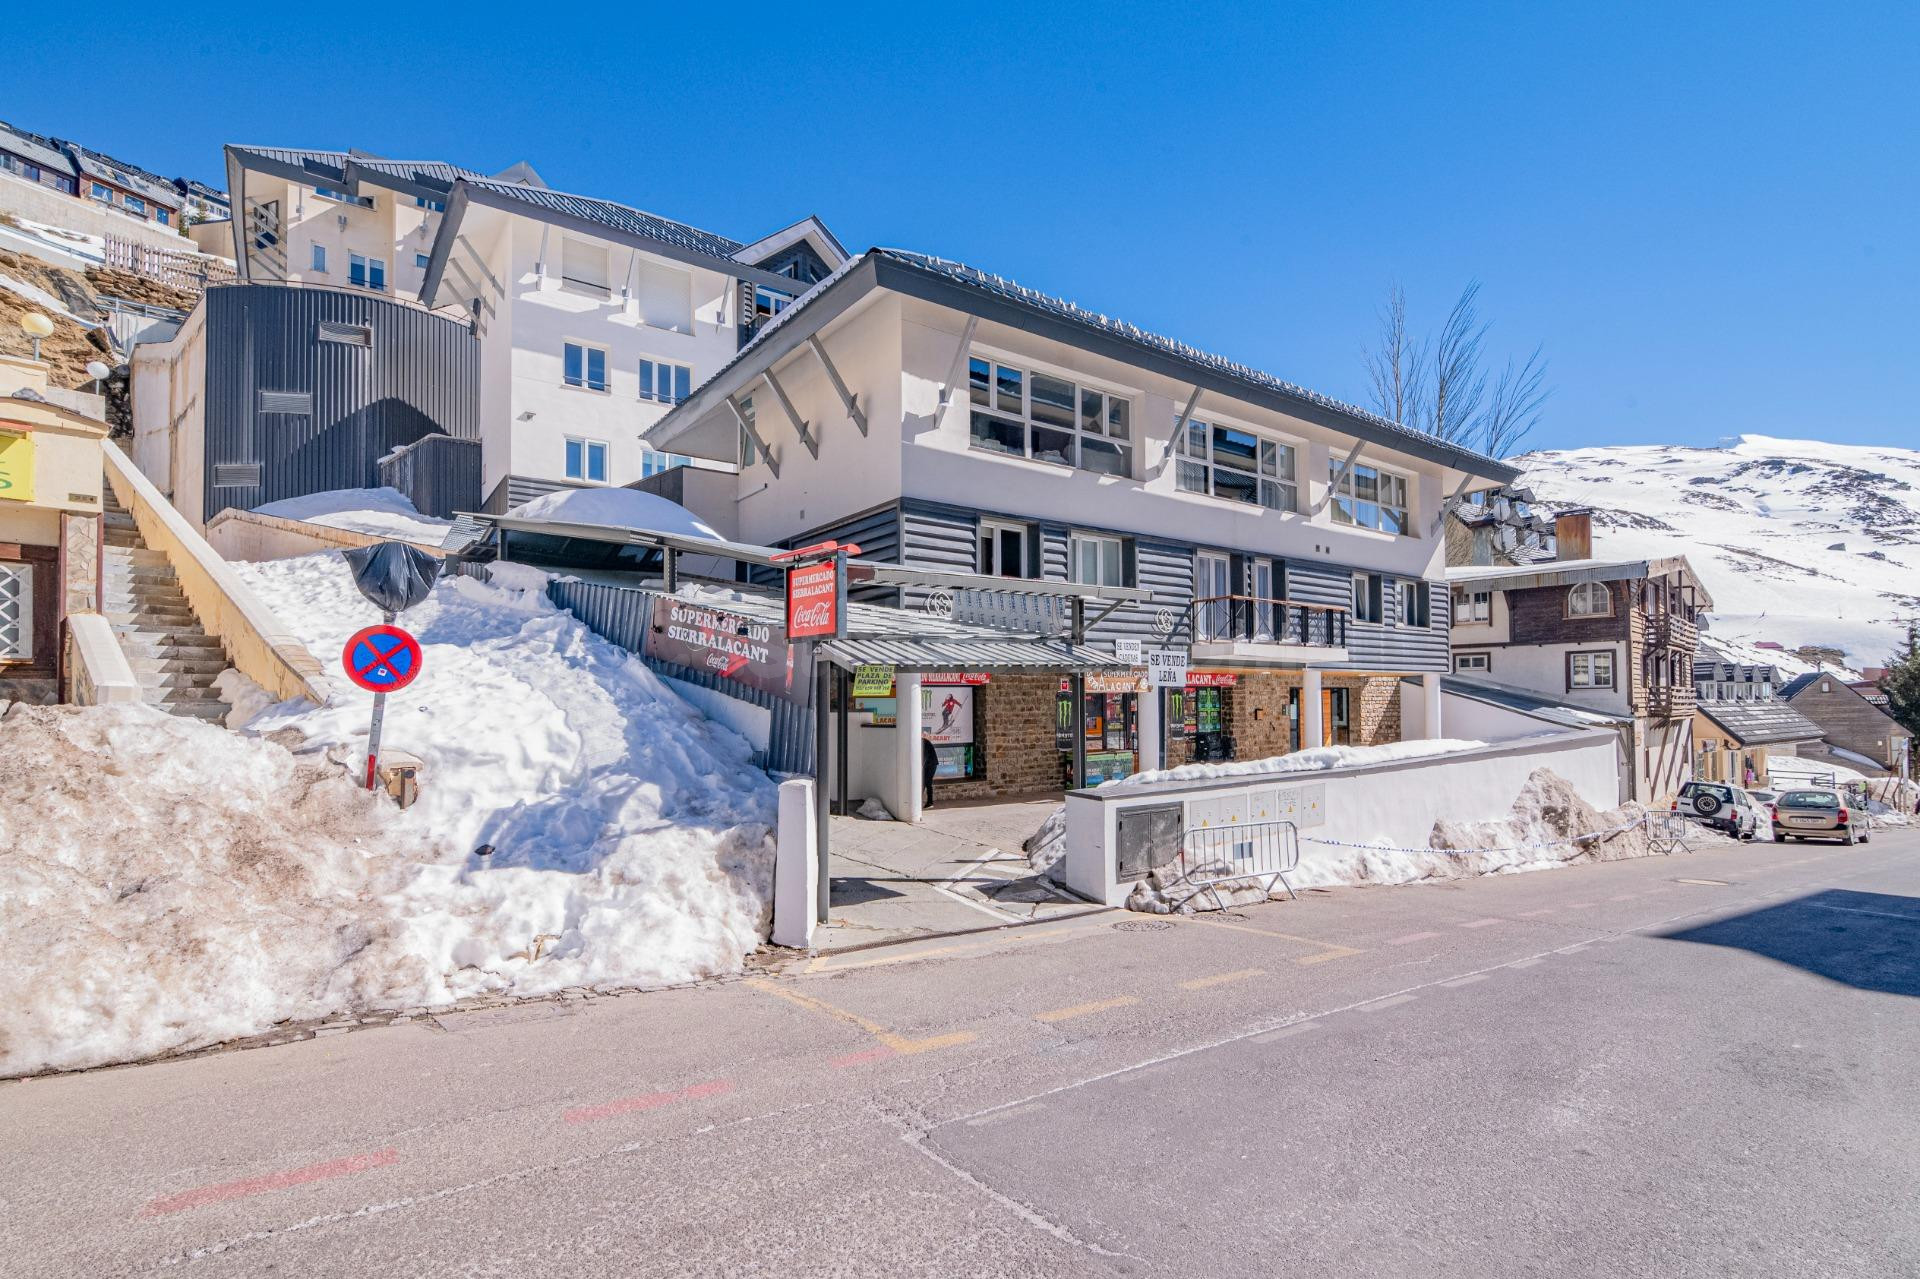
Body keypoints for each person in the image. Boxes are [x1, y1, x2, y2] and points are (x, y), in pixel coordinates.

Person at [922, 732, 938, 811]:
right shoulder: (923, 742)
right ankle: (929, 802)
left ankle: (929, 802)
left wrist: (921, 766)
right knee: (926, 783)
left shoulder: (924, 743)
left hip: (931, 765)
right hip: (929, 765)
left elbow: (925, 756)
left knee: (925, 782)